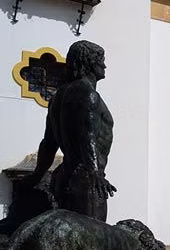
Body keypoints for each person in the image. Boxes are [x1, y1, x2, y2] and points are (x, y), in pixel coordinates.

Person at [20, 41, 116, 222]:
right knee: (93, 245)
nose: (104, 65)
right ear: (88, 62)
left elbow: (48, 143)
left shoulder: (57, 97)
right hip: (86, 180)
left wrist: (38, 174)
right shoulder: (88, 94)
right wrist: (95, 172)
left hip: (63, 179)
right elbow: (88, 135)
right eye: (100, 60)